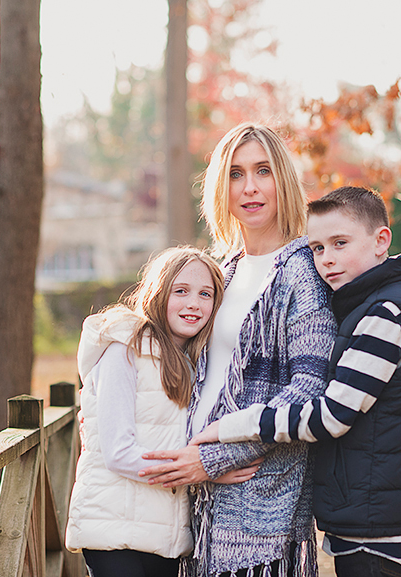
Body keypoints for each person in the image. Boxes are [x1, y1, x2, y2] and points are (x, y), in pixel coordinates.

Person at [190, 186, 401, 577]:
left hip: (378, 518)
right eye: (318, 248)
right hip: (367, 510)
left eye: (340, 243)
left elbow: (331, 416)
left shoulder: (385, 313)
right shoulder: (367, 306)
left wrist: (232, 426)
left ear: (381, 241)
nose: (327, 260)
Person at [138, 123, 337, 577]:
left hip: (259, 504)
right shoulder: (222, 270)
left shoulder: (302, 274)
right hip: (197, 499)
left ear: (282, 180)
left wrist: (213, 459)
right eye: (235, 173)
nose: (249, 187)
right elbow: (177, 360)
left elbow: (308, 392)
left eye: (262, 171)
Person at [65, 246, 258, 577]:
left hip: (164, 534)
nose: (193, 303)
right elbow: (118, 454)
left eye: (205, 294)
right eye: (180, 291)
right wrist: (203, 469)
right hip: (114, 531)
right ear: (157, 292)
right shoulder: (124, 351)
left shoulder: (196, 365)